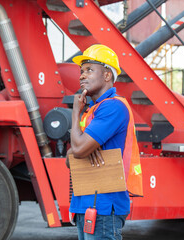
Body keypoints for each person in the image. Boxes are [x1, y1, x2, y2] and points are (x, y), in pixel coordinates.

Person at [66, 44, 143, 240]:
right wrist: (78, 150)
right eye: (81, 71)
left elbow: (79, 149)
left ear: (107, 75)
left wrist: (75, 114)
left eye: (89, 70)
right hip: (86, 203)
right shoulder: (93, 111)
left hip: (103, 206)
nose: (82, 76)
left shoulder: (113, 108)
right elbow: (71, 158)